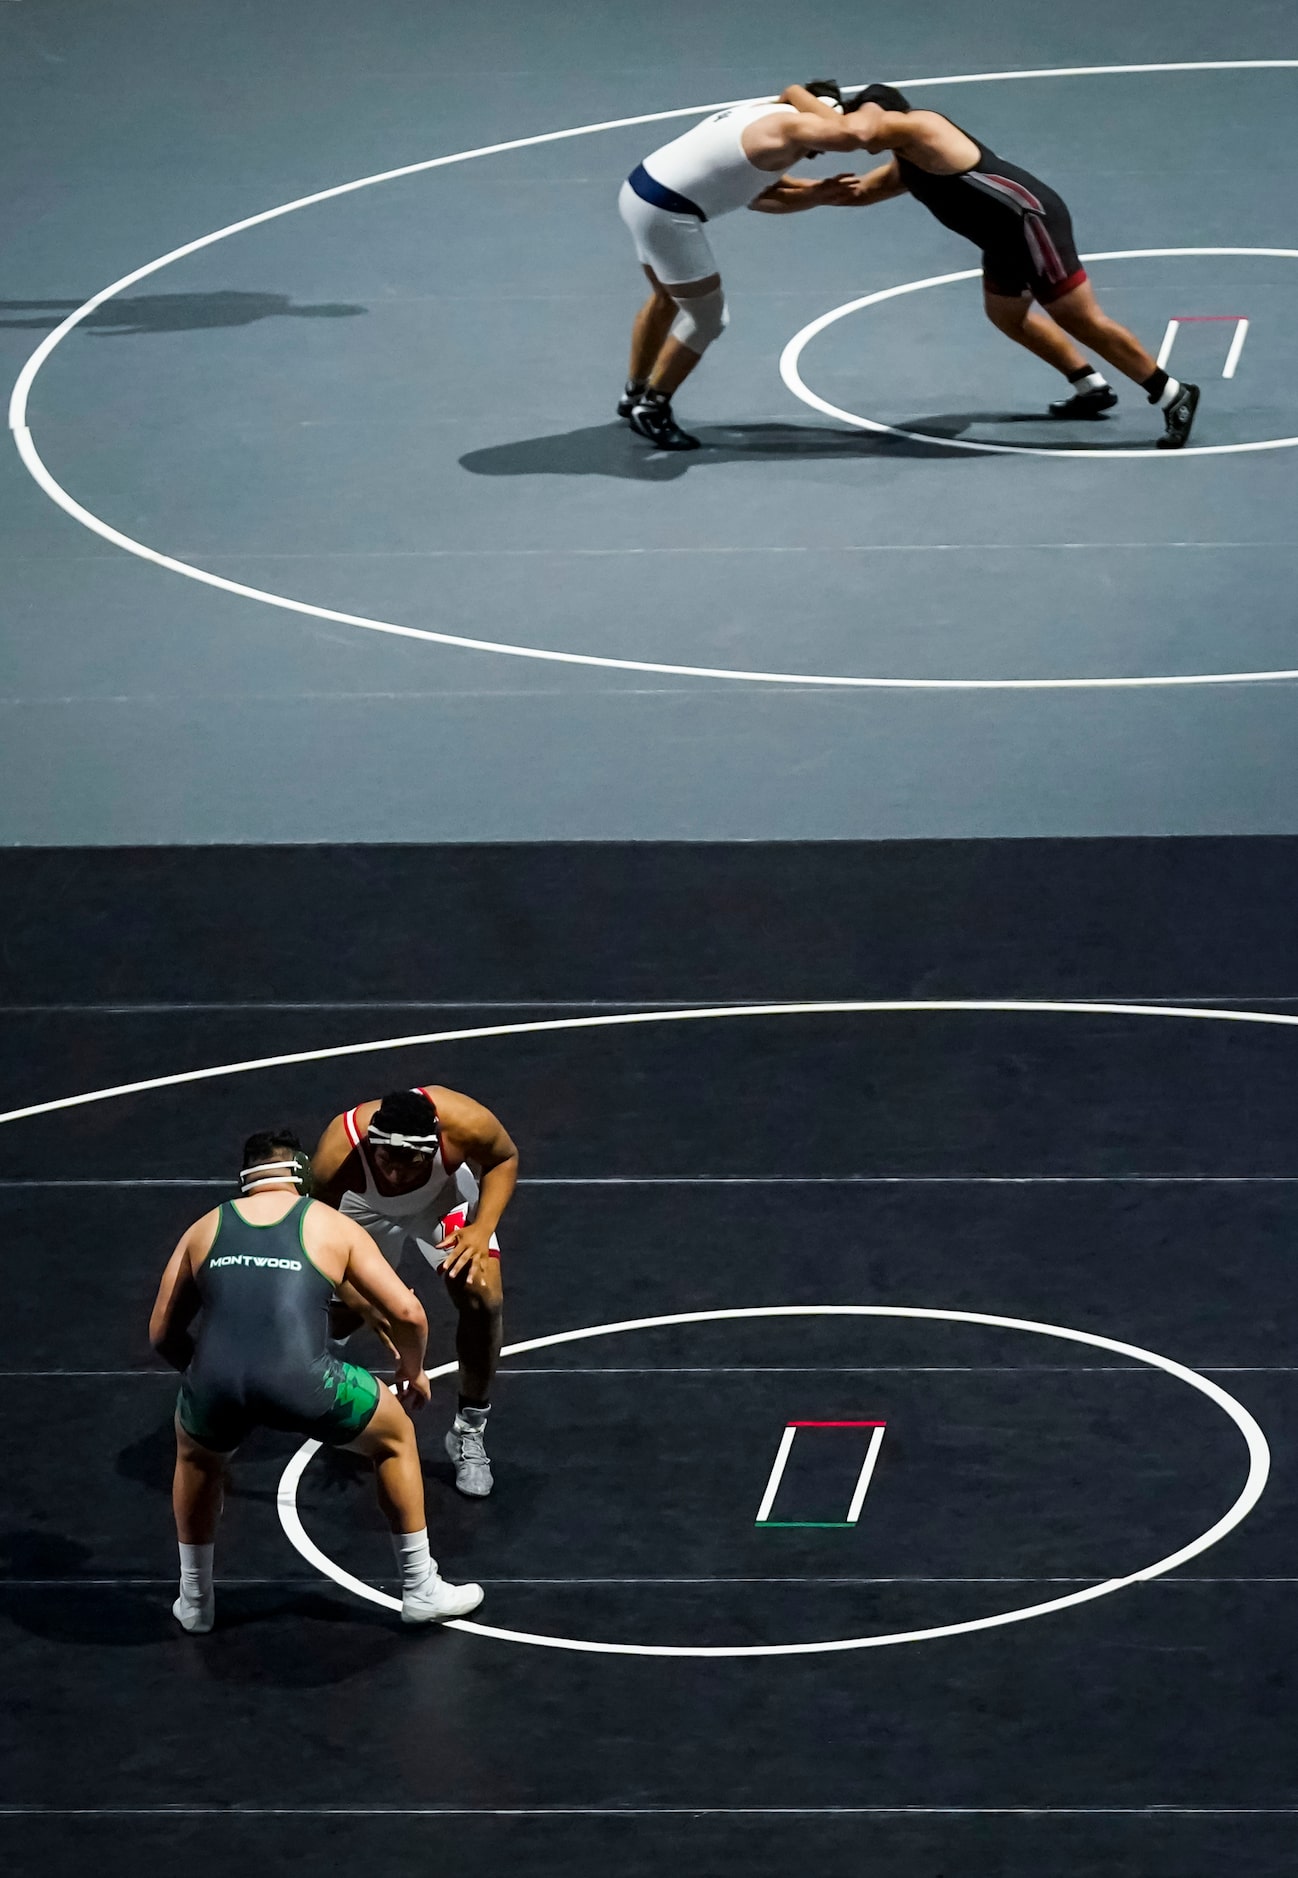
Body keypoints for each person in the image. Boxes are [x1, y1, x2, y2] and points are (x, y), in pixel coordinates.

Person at [148, 1129, 484, 1633]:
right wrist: (411, 1370)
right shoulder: (328, 1222)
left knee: (196, 1456)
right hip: (303, 1383)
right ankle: (420, 1587)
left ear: (247, 1178)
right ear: (300, 1173)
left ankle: (195, 1601)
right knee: (395, 1438)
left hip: (214, 1384)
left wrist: (213, 1379)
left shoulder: (203, 1228)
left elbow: (161, 1334)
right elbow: (411, 1313)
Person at [769, 83, 1199, 448]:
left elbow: (856, 133)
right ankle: (1090, 386)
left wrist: (795, 95)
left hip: (1031, 223)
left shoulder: (921, 127)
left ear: (881, 114)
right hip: (1003, 238)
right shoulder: (907, 162)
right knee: (1007, 316)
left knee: (1078, 317)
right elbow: (856, 193)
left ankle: (1171, 393)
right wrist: (779, 183)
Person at [618, 81, 880, 449]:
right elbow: (851, 135)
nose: (821, 152)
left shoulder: (760, 117)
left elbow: (758, 198)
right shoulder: (792, 127)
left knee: (665, 298)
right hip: (667, 213)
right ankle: (652, 408)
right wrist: (809, 103)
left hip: (639, 191)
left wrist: (816, 195)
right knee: (708, 319)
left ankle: (634, 393)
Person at [310, 1084, 518, 1499]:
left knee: (482, 1297)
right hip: (360, 1207)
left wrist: (482, 1228)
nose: (396, 1175)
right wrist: (357, 1296)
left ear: (436, 1143)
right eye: (388, 1162)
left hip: (440, 1201)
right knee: (342, 1310)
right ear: (373, 1144)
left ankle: (468, 1432)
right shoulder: (339, 1151)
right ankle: (325, 1374)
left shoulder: (464, 1121)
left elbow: (503, 1158)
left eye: (411, 1165)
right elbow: (313, 1235)